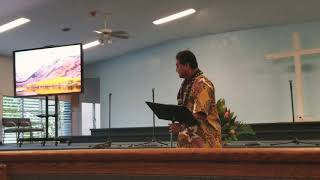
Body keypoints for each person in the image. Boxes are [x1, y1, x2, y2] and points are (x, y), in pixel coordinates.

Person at [169, 50, 222, 148]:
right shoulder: (186, 84)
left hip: (205, 144)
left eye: (178, 65)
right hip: (189, 143)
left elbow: (200, 115)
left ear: (187, 65)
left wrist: (180, 127)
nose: (176, 69)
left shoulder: (202, 83)